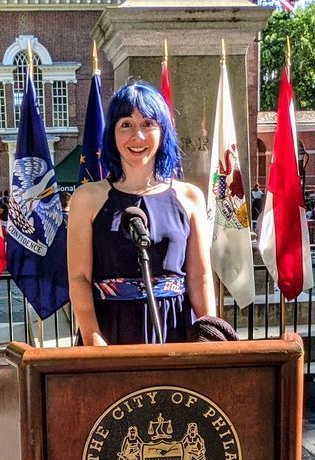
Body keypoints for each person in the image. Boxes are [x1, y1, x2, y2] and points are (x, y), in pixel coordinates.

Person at [68, 82, 215, 344]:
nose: (138, 136)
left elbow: (199, 277)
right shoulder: (87, 199)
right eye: (126, 124)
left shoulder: (190, 197)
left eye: (148, 124)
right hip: (111, 329)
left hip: (174, 328)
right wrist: (93, 338)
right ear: (112, 133)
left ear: (163, 132)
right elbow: (79, 278)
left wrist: (211, 338)